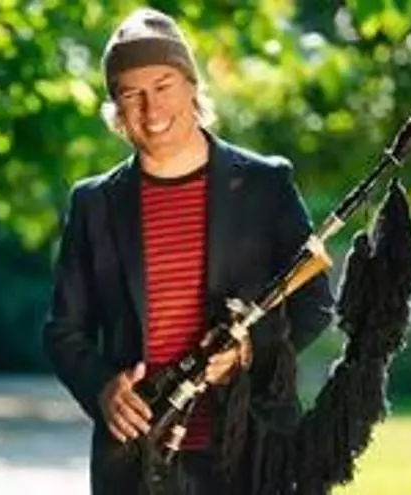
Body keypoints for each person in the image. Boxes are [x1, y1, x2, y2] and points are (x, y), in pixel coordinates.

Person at [43, 7, 333, 494]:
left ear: (192, 86)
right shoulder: (93, 204)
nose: (151, 109)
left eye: (163, 86)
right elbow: (63, 332)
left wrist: (247, 352)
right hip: (135, 463)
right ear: (116, 109)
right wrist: (102, 388)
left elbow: (315, 303)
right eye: (131, 94)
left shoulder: (265, 184)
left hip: (251, 453)